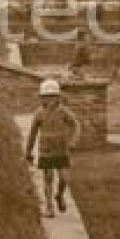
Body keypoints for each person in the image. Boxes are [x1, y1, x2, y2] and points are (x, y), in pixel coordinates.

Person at [25, 78, 83, 216]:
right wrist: (28, 151)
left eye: (52, 96)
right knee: (48, 177)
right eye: (46, 97)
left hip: (62, 150)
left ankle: (59, 195)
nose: (49, 100)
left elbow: (76, 125)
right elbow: (32, 134)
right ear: (41, 98)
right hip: (46, 151)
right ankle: (49, 206)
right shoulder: (38, 114)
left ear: (58, 97)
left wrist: (73, 140)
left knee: (64, 178)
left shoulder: (64, 112)